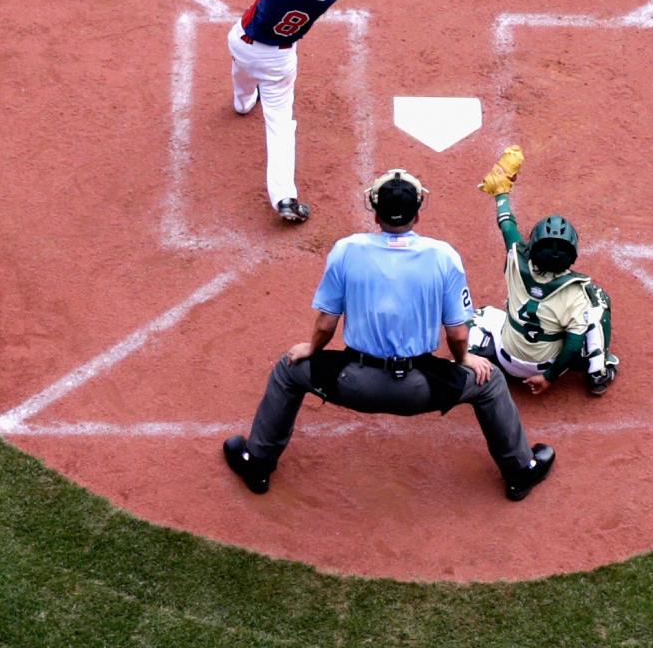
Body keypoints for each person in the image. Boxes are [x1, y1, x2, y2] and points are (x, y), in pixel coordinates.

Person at [222, 169, 557, 500]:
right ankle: (519, 473)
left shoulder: (346, 251)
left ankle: (258, 464)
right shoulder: (444, 257)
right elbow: (457, 334)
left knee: (287, 371)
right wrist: (464, 359)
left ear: (375, 210)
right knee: (492, 384)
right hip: (421, 388)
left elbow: (326, 324)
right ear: (418, 212)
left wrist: (311, 348)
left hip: (351, 383)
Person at [229, 0, 353, 223]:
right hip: (278, 62)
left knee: (242, 73)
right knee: (280, 126)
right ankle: (284, 196)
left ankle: (242, 103)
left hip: (242, 44)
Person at [468, 147, 617, 396]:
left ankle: (470, 359)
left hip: (507, 360)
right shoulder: (576, 293)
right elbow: (572, 346)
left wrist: (502, 193)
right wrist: (548, 378)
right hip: (545, 367)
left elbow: (507, 225)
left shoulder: (516, 259)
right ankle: (598, 374)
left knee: (479, 314)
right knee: (598, 303)